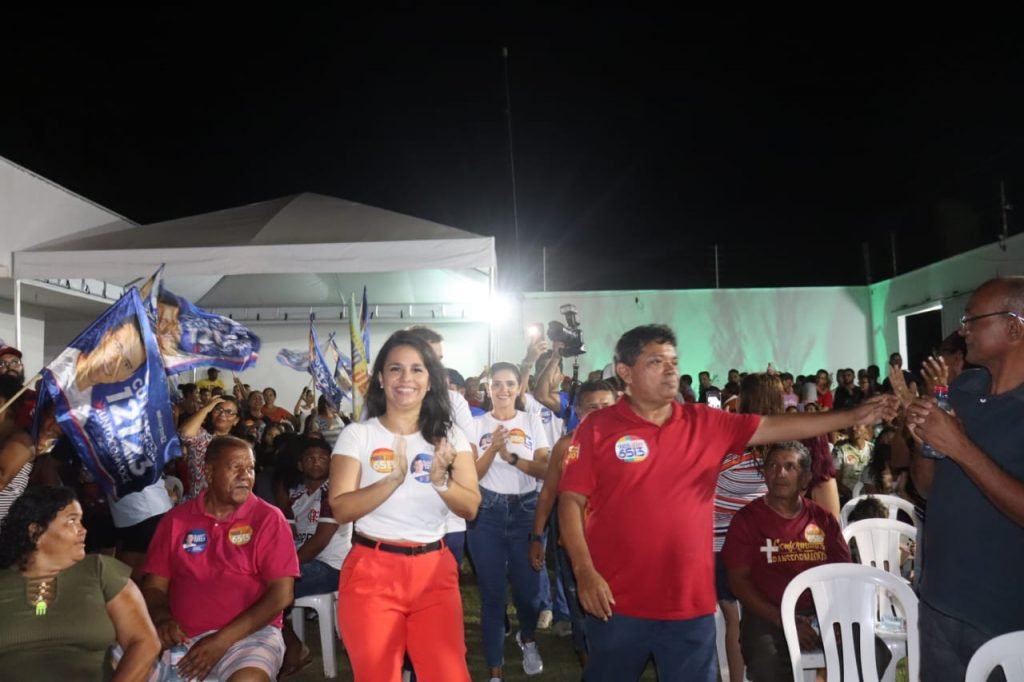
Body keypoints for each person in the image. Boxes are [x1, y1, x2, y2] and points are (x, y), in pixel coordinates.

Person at [558, 324, 898, 682]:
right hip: (617, 599)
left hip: (689, 604)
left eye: (673, 361)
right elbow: (570, 501)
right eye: (656, 361)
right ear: (625, 372)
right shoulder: (597, 428)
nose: (670, 369)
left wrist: (854, 416)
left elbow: (777, 427)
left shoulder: (704, 423)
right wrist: (584, 572)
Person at [329, 329, 480, 682]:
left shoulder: (450, 437)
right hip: (371, 571)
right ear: (381, 378)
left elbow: (471, 507)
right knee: (377, 675)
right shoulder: (358, 435)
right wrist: (390, 481)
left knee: (449, 675)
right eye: (395, 369)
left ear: (430, 380)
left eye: (416, 369)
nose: (405, 378)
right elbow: (341, 509)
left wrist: (441, 481)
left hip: (434, 571)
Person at [906, 277, 1024, 681]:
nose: (962, 331)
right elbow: (926, 488)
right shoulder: (964, 389)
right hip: (939, 601)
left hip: (1002, 614)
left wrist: (959, 446)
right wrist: (925, 440)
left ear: (1013, 328)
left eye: (972, 319)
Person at [142, 435, 299, 681]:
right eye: (236, 467)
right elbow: (154, 587)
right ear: (209, 472)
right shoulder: (176, 520)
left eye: (250, 468)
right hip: (183, 636)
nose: (245, 476)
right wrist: (162, 619)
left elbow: (282, 594)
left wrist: (221, 641)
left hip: (250, 635)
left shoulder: (268, 518)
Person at [722, 442, 852, 681]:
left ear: (806, 478)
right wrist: (784, 620)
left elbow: (844, 574)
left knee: (871, 651)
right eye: (773, 466)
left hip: (822, 612)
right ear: (765, 474)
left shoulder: (822, 519)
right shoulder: (746, 520)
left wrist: (838, 617)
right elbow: (738, 581)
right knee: (766, 664)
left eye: (790, 467)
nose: (780, 473)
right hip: (769, 616)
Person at [0, 486, 160, 681]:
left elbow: (144, 642)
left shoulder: (99, 571)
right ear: (36, 531)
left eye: (81, 521)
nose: (83, 530)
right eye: (71, 521)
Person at [469, 361, 551, 680]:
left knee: (529, 594)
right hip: (487, 512)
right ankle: (495, 671)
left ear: (518, 388)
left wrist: (512, 458)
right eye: (497, 384)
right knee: (492, 596)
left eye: (510, 384)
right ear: (488, 387)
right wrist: (493, 451)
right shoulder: (476, 424)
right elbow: (471, 474)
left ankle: (527, 637)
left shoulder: (531, 420)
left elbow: (546, 469)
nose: (503, 390)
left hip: (526, 511)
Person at [529, 380, 617, 667]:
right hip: (575, 546)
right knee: (582, 614)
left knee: (620, 614)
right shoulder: (567, 446)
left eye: (606, 406)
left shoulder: (630, 445)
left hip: (620, 548)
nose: (599, 412)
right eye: (592, 407)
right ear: (577, 410)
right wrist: (536, 536)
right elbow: (548, 493)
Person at [713, 373, 782, 682]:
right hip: (768, 547)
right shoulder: (785, 452)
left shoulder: (729, 445)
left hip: (723, 547)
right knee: (763, 619)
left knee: (734, 621)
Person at [281, 438, 353, 676]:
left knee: (268, 590)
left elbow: (319, 542)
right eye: (310, 458)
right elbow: (285, 533)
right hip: (302, 562)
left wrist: (284, 568)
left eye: (323, 458)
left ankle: (293, 648)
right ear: (300, 464)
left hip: (330, 567)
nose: (316, 462)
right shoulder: (295, 494)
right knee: (256, 588)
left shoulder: (334, 492)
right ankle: (293, 644)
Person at [178, 395, 241, 499]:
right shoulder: (201, 436)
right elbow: (184, 434)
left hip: (226, 502)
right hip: (196, 500)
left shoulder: (238, 446)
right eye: (218, 409)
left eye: (229, 412)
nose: (222, 414)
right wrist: (206, 407)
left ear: (236, 420)